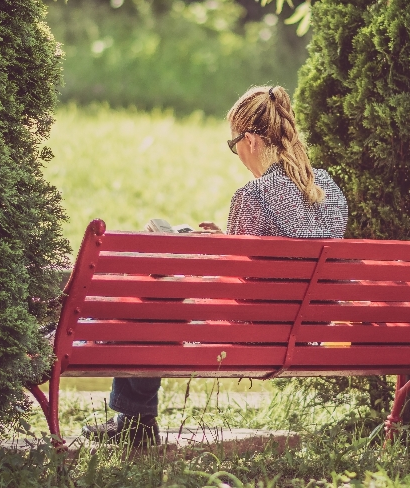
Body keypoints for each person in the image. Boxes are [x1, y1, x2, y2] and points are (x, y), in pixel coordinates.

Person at [82, 85, 348, 446]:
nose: (236, 152)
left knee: (155, 297)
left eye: (233, 143)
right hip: (305, 331)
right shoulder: (330, 190)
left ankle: (134, 423)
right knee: (158, 293)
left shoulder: (253, 196)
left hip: (250, 336)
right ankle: (133, 421)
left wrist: (196, 254)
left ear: (251, 140)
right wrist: (225, 239)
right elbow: (275, 261)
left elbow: (234, 282)